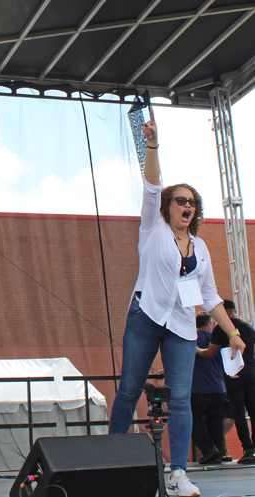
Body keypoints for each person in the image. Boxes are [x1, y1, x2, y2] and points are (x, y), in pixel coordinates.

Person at [108, 107, 245, 497]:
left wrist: (232, 333)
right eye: (181, 200)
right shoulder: (152, 227)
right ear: (168, 206)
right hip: (146, 316)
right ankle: (111, 458)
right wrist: (152, 143)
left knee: (181, 400)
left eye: (193, 203)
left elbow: (209, 297)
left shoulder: (200, 248)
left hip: (183, 328)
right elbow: (152, 185)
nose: (187, 206)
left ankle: (178, 473)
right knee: (130, 389)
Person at [197, 299, 255, 464]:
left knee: (239, 413)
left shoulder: (221, 328)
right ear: (234, 310)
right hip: (251, 373)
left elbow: (210, 353)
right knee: (253, 410)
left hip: (233, 374)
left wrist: (197, 351)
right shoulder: (248, 326)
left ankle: (248, 450)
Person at [191, 313, 225, 465]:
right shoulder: (216, 339)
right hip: (218, 387)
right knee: (216, 421)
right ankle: (219, 450)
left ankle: (209, 449)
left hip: (197, 387)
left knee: (194, 420)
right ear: (210, 323)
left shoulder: (191, 338)